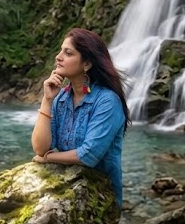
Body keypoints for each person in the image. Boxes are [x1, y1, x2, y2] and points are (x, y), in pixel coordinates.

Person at [30, 28, 130, 208]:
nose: (58, 57)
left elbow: (88, 155)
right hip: (67, 188)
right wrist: (47, 100)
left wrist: (49, 158)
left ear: (87, 64)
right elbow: (40, 147)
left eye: (68, 53)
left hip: (100, 198)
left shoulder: (107, 101)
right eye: (60, 51)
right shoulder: (62, 98)